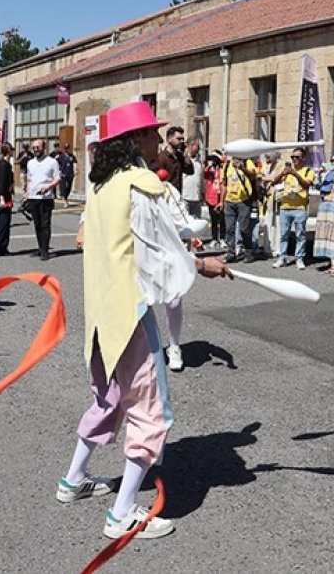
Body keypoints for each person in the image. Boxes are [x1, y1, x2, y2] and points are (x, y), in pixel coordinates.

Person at [58, 101, 230, 541]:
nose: (159, 141)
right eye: (153, 134)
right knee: (152, 412)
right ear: (135, 140)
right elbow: (161, 250)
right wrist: (201, 265)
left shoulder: (100, 186)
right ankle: (121, 513)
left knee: (110, 400)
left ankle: (74, 480)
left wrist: (192, 250)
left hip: (100, 315)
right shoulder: (140, 184)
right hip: (130, 314)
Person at [270, 147, 316, 270]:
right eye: (292, 157)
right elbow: (274, 182)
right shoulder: (287, 171)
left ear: (303, 158)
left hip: (300, 208)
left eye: (297, 157)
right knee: (283, 234)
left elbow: (307, 184)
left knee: (300, 235)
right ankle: (282, 257)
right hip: (285, 207)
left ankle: (299, 258)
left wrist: (295, 174)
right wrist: (282, 173)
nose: (294, 160)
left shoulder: (307, 171)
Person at [24, 139, 60, 260]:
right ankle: (40, 248)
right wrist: (27, 194)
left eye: (38, 147)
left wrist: (49, 186)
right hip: (33, 197)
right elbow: (29, 180)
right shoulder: (30, 163)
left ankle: (45, 250)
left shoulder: (52, 162)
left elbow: (57, 178)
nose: (35, 150)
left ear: (44, 148)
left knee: (45, 224)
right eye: (33, 148)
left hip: (46, 197)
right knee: (37, 224)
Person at [220, 154, 258, 262]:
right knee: (229, 229)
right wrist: (221, 202)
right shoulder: (227, 165)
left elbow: (253, 176)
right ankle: (231, 252)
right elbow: (223, 184)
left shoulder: (247, 162)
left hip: (244, 201)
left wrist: (242, 168)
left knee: (244, 229)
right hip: (229, 201)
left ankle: (248, 252)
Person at [202, 152, 225, 249]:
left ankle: (223, 238)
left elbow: (223, 182)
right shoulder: (209, 170)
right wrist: (208, 166)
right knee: (213, 220)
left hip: (220, 197)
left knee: (222, 220)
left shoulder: (221, 170)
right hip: (211, 197)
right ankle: (214, 238)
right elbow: (204, 173)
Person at [180, 137, 204, 219]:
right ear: (190, 146)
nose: (199, 148)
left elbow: (201, 179)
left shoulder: (199, 162)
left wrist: (203, 193)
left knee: (197, 223)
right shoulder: (183, 160)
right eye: (197, 146)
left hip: (197, 198)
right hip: (185, 197)